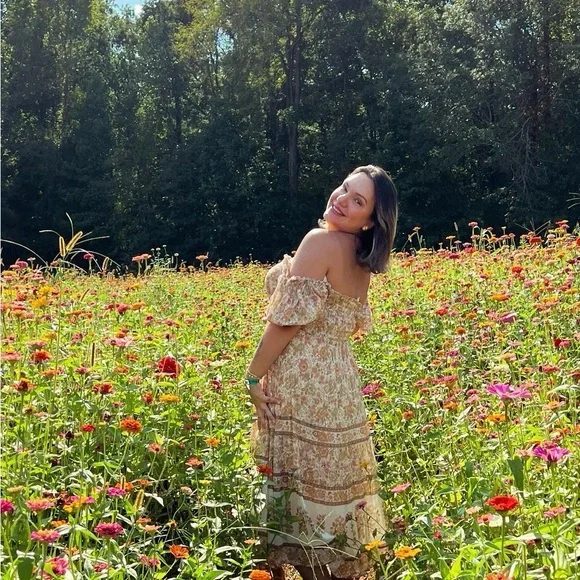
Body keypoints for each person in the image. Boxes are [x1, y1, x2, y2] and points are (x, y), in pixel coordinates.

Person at [245, 165, 398, 580]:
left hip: (301, 381)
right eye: (345, 189)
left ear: (370, 221)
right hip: (340, 384)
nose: (342, 199)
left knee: (297, 500)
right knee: (328, 503)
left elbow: (286, 324)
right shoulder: (360, 258)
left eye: (357, 201)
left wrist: (252, 377)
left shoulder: (320, 241)